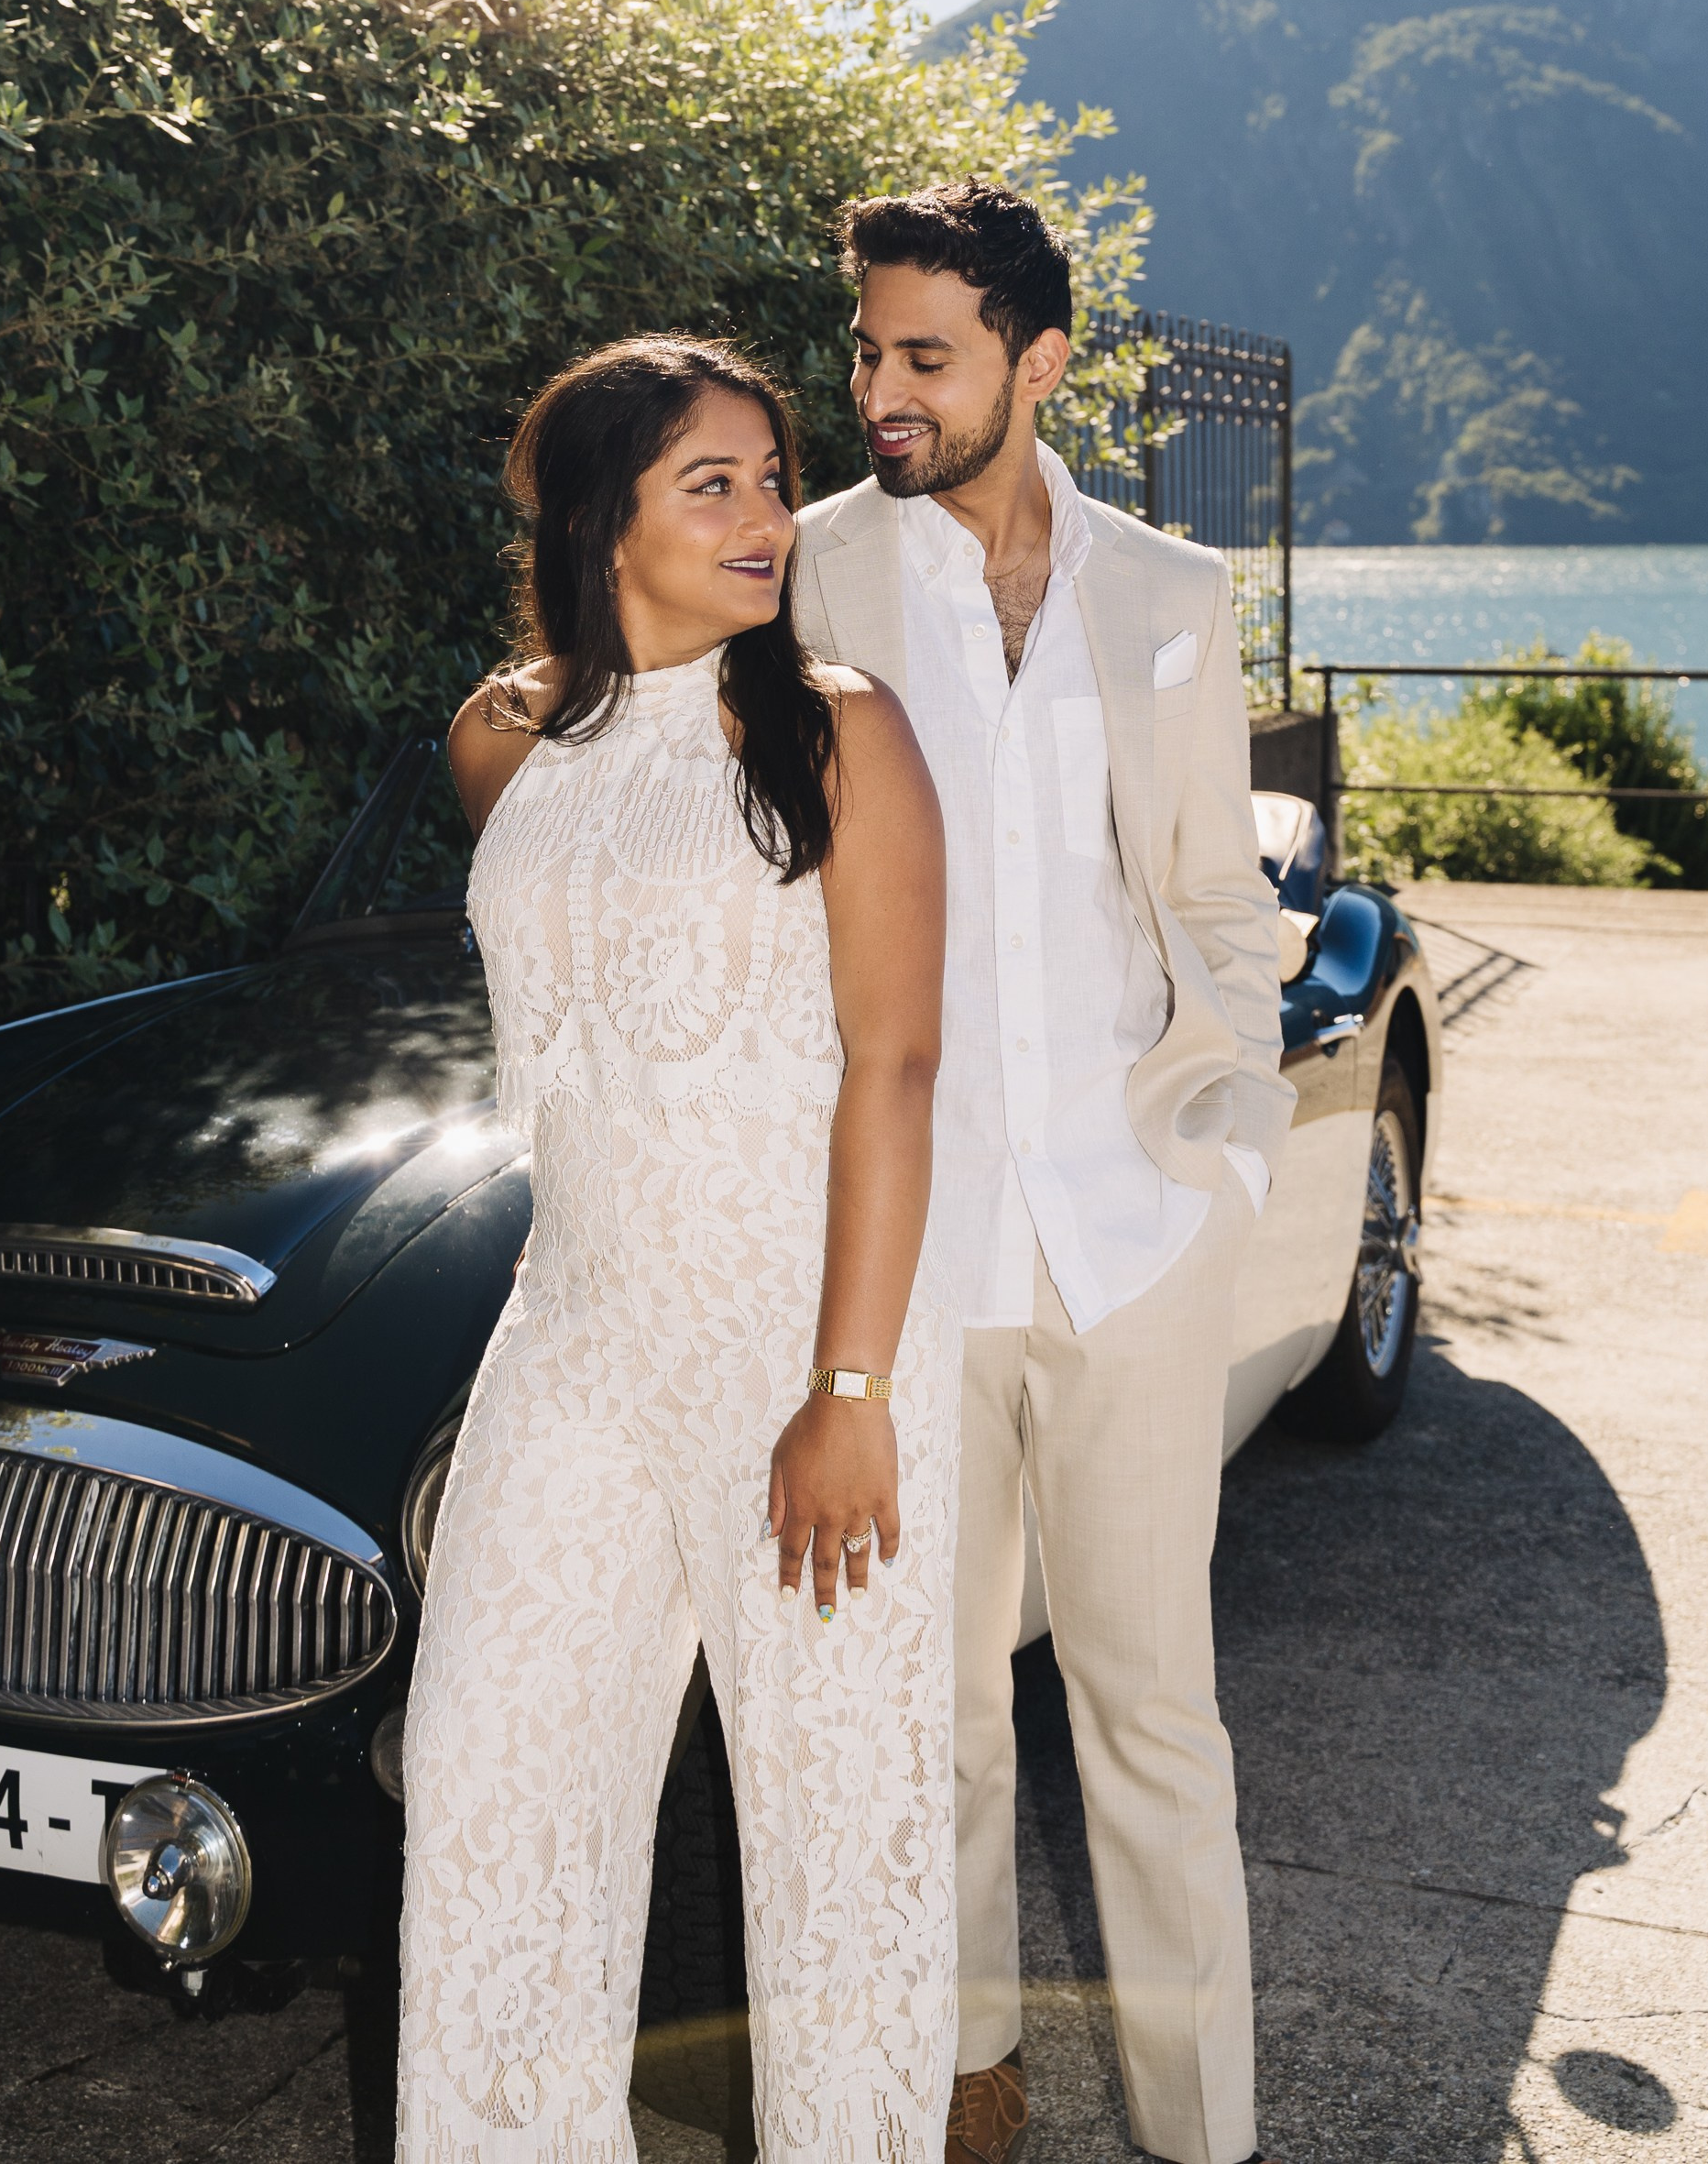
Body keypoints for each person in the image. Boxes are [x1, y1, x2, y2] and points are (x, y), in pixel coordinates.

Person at [397, 332, 961, 2164]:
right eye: (708, 484)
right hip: (566, 1337)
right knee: (493, 1799)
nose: (763, 518)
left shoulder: (831, 723)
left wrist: (847, 1386)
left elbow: (893, 1064)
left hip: (809, 1346)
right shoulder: (502, 738)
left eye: (771, 479)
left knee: (829, 1838)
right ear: (593, 520)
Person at [788, 185, 1291, 2164]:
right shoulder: (811, 572)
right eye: (862, 351)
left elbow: (1214, 911)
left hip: (1125, 1237)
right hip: (908, 1253)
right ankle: (960, 2073)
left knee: (1151, 1720)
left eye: (923, 355)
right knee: (919, 1720)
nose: (880, 391)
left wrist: (1222, 1161)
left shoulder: (1166, 593)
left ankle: (1199, 2132)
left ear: (1034, 361)